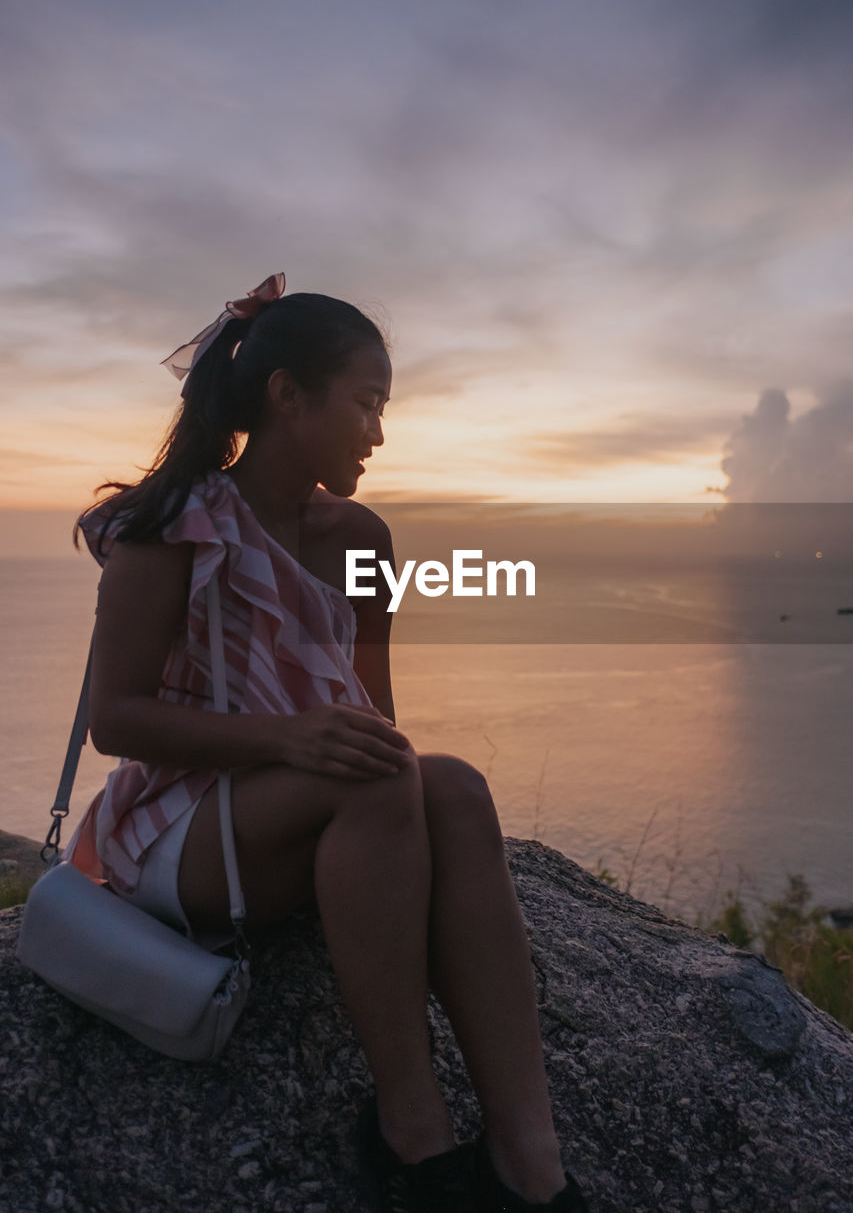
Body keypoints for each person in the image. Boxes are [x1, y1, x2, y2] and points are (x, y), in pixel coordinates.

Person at [63, 274, 589, 1213]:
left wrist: (343, 761)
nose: (378, 433)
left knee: (455, 786)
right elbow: (118, 720)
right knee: (380, 783)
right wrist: (290, 738)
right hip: (180, 827)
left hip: (305, 818)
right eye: (367, 403)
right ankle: (413, 1132)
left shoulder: (360, 538)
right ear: (287, 396)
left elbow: (373, 715)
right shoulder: (169, 528)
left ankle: (530, 1160)